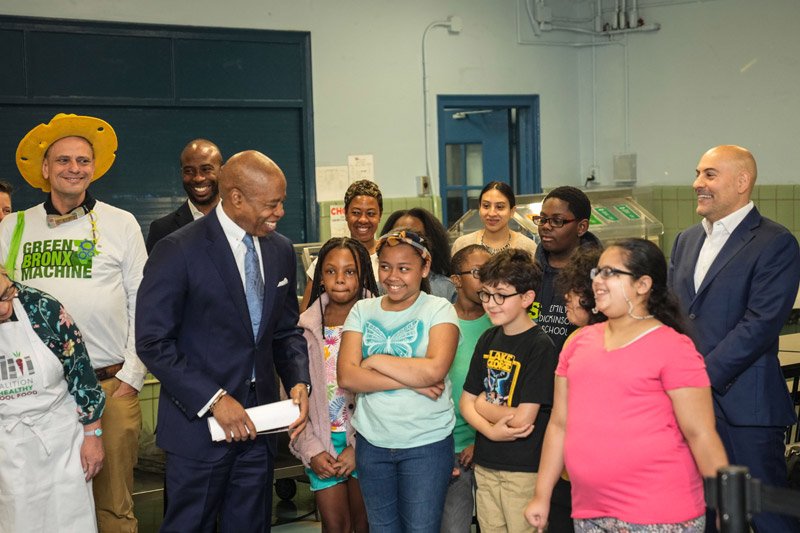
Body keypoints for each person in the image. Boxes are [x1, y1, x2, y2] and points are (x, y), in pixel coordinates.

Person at [136, 150, 311, 532]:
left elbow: (284, 331)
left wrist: (299, 379)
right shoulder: (178, 250)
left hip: (260, 428)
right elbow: (152, 342)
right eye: (272, 204)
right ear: (235, 198)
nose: (279, 212)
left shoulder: (279, 250)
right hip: (198, 432)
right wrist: (214, 399)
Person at [0, 113, 147, 533]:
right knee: (37, 508)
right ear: (45, 168)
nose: (74, 169)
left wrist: (133, 376)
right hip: (35, 397)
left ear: (94, 168)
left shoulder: (122, 224)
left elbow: (144, 302)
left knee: (112, 510)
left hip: (108, 384)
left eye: (83, 161)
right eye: (63, 160)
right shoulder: (14, 226)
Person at [526, 238, 729, 532]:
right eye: (597, 272)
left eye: (611, 273)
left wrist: (726, 506)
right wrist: (541, 495)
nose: (598, 281)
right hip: (590, 510)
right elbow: (559, 424)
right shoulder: (579, 342)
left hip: (660, 514)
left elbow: (700, 434)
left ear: (643, 284)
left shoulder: (673, 347)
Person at [668, 145, 800, 533]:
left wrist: (697, 378)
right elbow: (675, 314)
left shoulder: (775, 242)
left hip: (746, 407)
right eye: (697, 174)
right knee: (700, 514)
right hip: (689, 408)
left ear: (742, 182)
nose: (697, 184)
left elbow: (759, 324)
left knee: (768, 516)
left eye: (710, 175)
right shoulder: (685, 239)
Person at [337, 229, 459, 531]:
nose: (393, 276)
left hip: (426, 445)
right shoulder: (362, 310)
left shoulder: (439, 309)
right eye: (385, 266)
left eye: (404, 268)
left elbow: (434, 371)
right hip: (372, 444)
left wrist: (375, 361)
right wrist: (411, 379)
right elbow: (347, 376)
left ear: (425, 268)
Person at [460, 248, 557, 533]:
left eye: (501, 295)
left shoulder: (540, 346)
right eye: (486, 294)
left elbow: (523, 419)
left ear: (527, 298)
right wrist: (490, 430)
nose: (491, 303)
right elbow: (465, 403)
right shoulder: (488, 337)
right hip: (486, 464)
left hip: (524, 472)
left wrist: (483, 406)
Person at [0, 267, 105, 532]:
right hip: (8, 448)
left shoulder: (42, 308)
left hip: (62, 442)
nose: (3, 308)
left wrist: (93, 435)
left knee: (71, 521)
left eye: (5, 293)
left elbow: (81, 373)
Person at [290, 237, 376, 533]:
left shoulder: (378, 320)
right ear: (319, 276)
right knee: (334, 525)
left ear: (363, 273)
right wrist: (311, 449)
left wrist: (358, 448)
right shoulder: (304, 327)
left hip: (367, 440)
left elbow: (385, 392)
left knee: (364, 524)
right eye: (330, 271)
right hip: (322, 442)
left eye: (349, 271)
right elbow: (292, 399)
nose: (339, 279)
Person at [541, 245, 606, 533]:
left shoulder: (606, 341)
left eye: (576, 290)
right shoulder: (576, 338)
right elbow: (560, 418)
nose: (566, 297)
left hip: (603, 478)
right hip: (570, 475)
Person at [440, 244, 492, 533]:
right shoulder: (439, 320)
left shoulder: (499, 322)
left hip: (490, 446)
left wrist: (481, 441)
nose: (486, 279)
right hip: (449, 448)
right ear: (456, 280)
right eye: (477, 272)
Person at [530, 186, 601, 352]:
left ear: (581, 227)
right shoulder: (531, 270)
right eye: (543, 219)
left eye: (557, 221)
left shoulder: (598, 276)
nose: (546, 226)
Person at [300, 179, 383, 311]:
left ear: (380, 216)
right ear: (345, 214)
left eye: (371, 214)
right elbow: (306, 312)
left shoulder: (387, 258)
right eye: (356, 212)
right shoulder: (327, 259)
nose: (363, 219)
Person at [145, 138, 223, 253]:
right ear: (182, 174)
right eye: (189, 171)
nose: (198, 178)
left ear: (222, 171)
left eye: (206, 169)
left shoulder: (242, 222)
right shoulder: (162, 230)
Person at [381, 207, 457, 302]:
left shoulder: (445, 288)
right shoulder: (379, 287)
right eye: (398, 235)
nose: (405, 241)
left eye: (414, 236)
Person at [451, 181, 537, 256]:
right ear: (479, 208)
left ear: (512, 211)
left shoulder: (527, 247)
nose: (492, 213)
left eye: (499, 207)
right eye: (486, 206)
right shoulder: (463, 245)